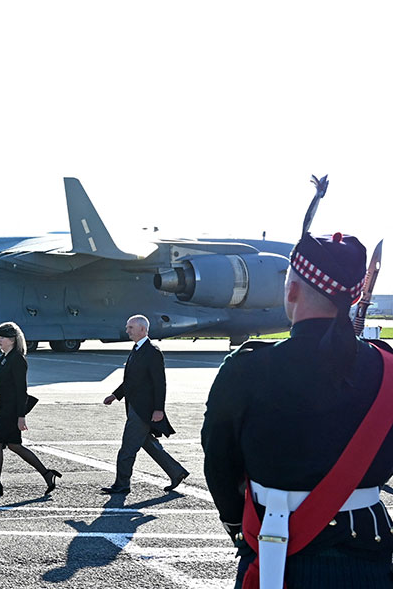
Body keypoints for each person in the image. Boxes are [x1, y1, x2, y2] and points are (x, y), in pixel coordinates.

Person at [202, 230, 393, 588]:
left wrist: (234, 522)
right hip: (368, 552)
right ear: (351, 298)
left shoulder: (246, 370)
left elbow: (219, 461)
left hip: (274, 552)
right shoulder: (388, 369)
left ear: (291, 290)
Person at [101, 315, 188, 494]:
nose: (127, 330)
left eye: (130, 327)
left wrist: (158, 409)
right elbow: (131, 380)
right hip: (134, 407)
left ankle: (122, 484)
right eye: (127, 327)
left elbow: (160, 383)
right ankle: (176, 472)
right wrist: (115, 395)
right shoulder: (137, 349)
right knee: (147, 443)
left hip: (144, 411)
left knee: (127, 447)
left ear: (143, 329)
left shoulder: (152, 351)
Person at [0, 322, 61, 497]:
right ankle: (47, 474)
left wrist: (21, 416)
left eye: (2, 337)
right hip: (4, 408)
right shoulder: (4, 357)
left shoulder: (17, 359)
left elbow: (21, 390)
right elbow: (0, 388)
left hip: (13, 409)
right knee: (15, 445)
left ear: (12, 340)